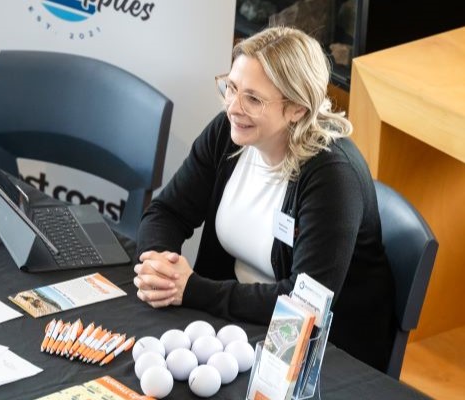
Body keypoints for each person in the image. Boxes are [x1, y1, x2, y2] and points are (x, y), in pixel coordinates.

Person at [133, 26, 396, 371]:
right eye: (231, 88)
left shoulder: (333, 177)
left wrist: (193, 289)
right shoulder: (229, 134)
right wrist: (158, 268)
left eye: (253, 99)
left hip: (320, 351)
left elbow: (304, 304)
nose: (232, 107)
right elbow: (168, 212)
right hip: (233, 322)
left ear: (297, 109)